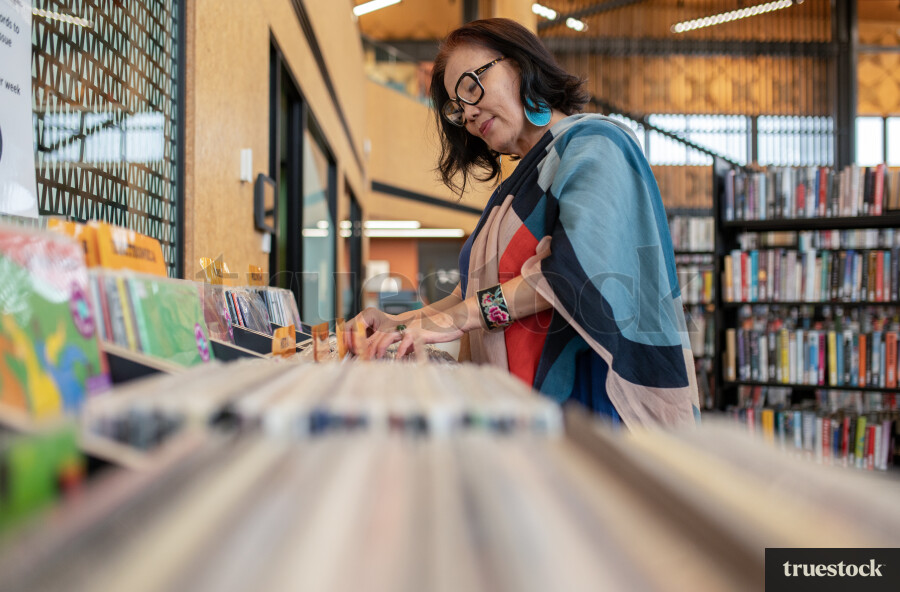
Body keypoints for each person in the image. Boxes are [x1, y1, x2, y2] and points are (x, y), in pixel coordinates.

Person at [350, 18, 699, 428]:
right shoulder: (516, 186)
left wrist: (459, 318)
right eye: (457, 107)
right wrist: (404, 321)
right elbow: (477, 290)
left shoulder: (595, 145)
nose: (468, 111)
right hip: (524, 412)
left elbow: (568, 277)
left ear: (520, 63)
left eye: (470, 86)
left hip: (591, 412)